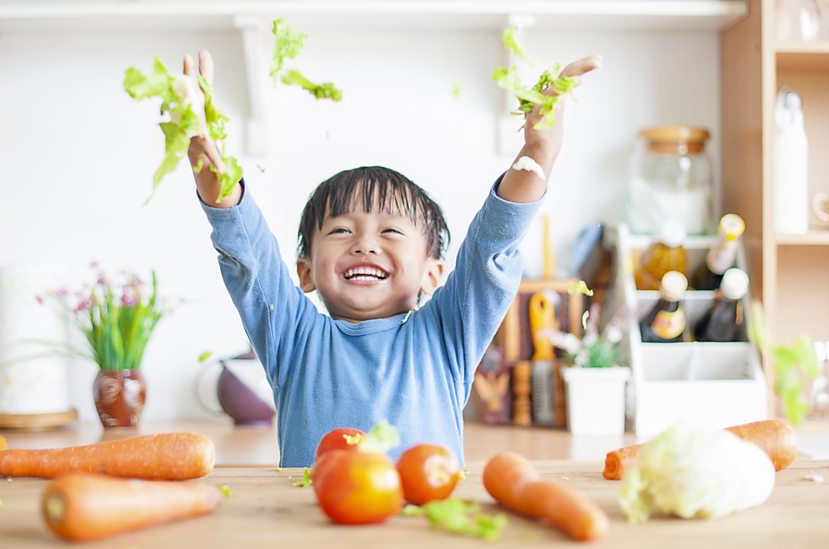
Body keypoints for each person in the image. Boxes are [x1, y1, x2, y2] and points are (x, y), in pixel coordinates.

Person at [184, 50, 601, 467]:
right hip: (313, 528)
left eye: (391, 231)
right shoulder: (292, 337)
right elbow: (247, 255)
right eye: (341, 230)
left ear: (433, 273)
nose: (364, 244)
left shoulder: (446, 336)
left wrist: (537, 152)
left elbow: (490, 250)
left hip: (425, 527)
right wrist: (209, 157)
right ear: (305, 270)